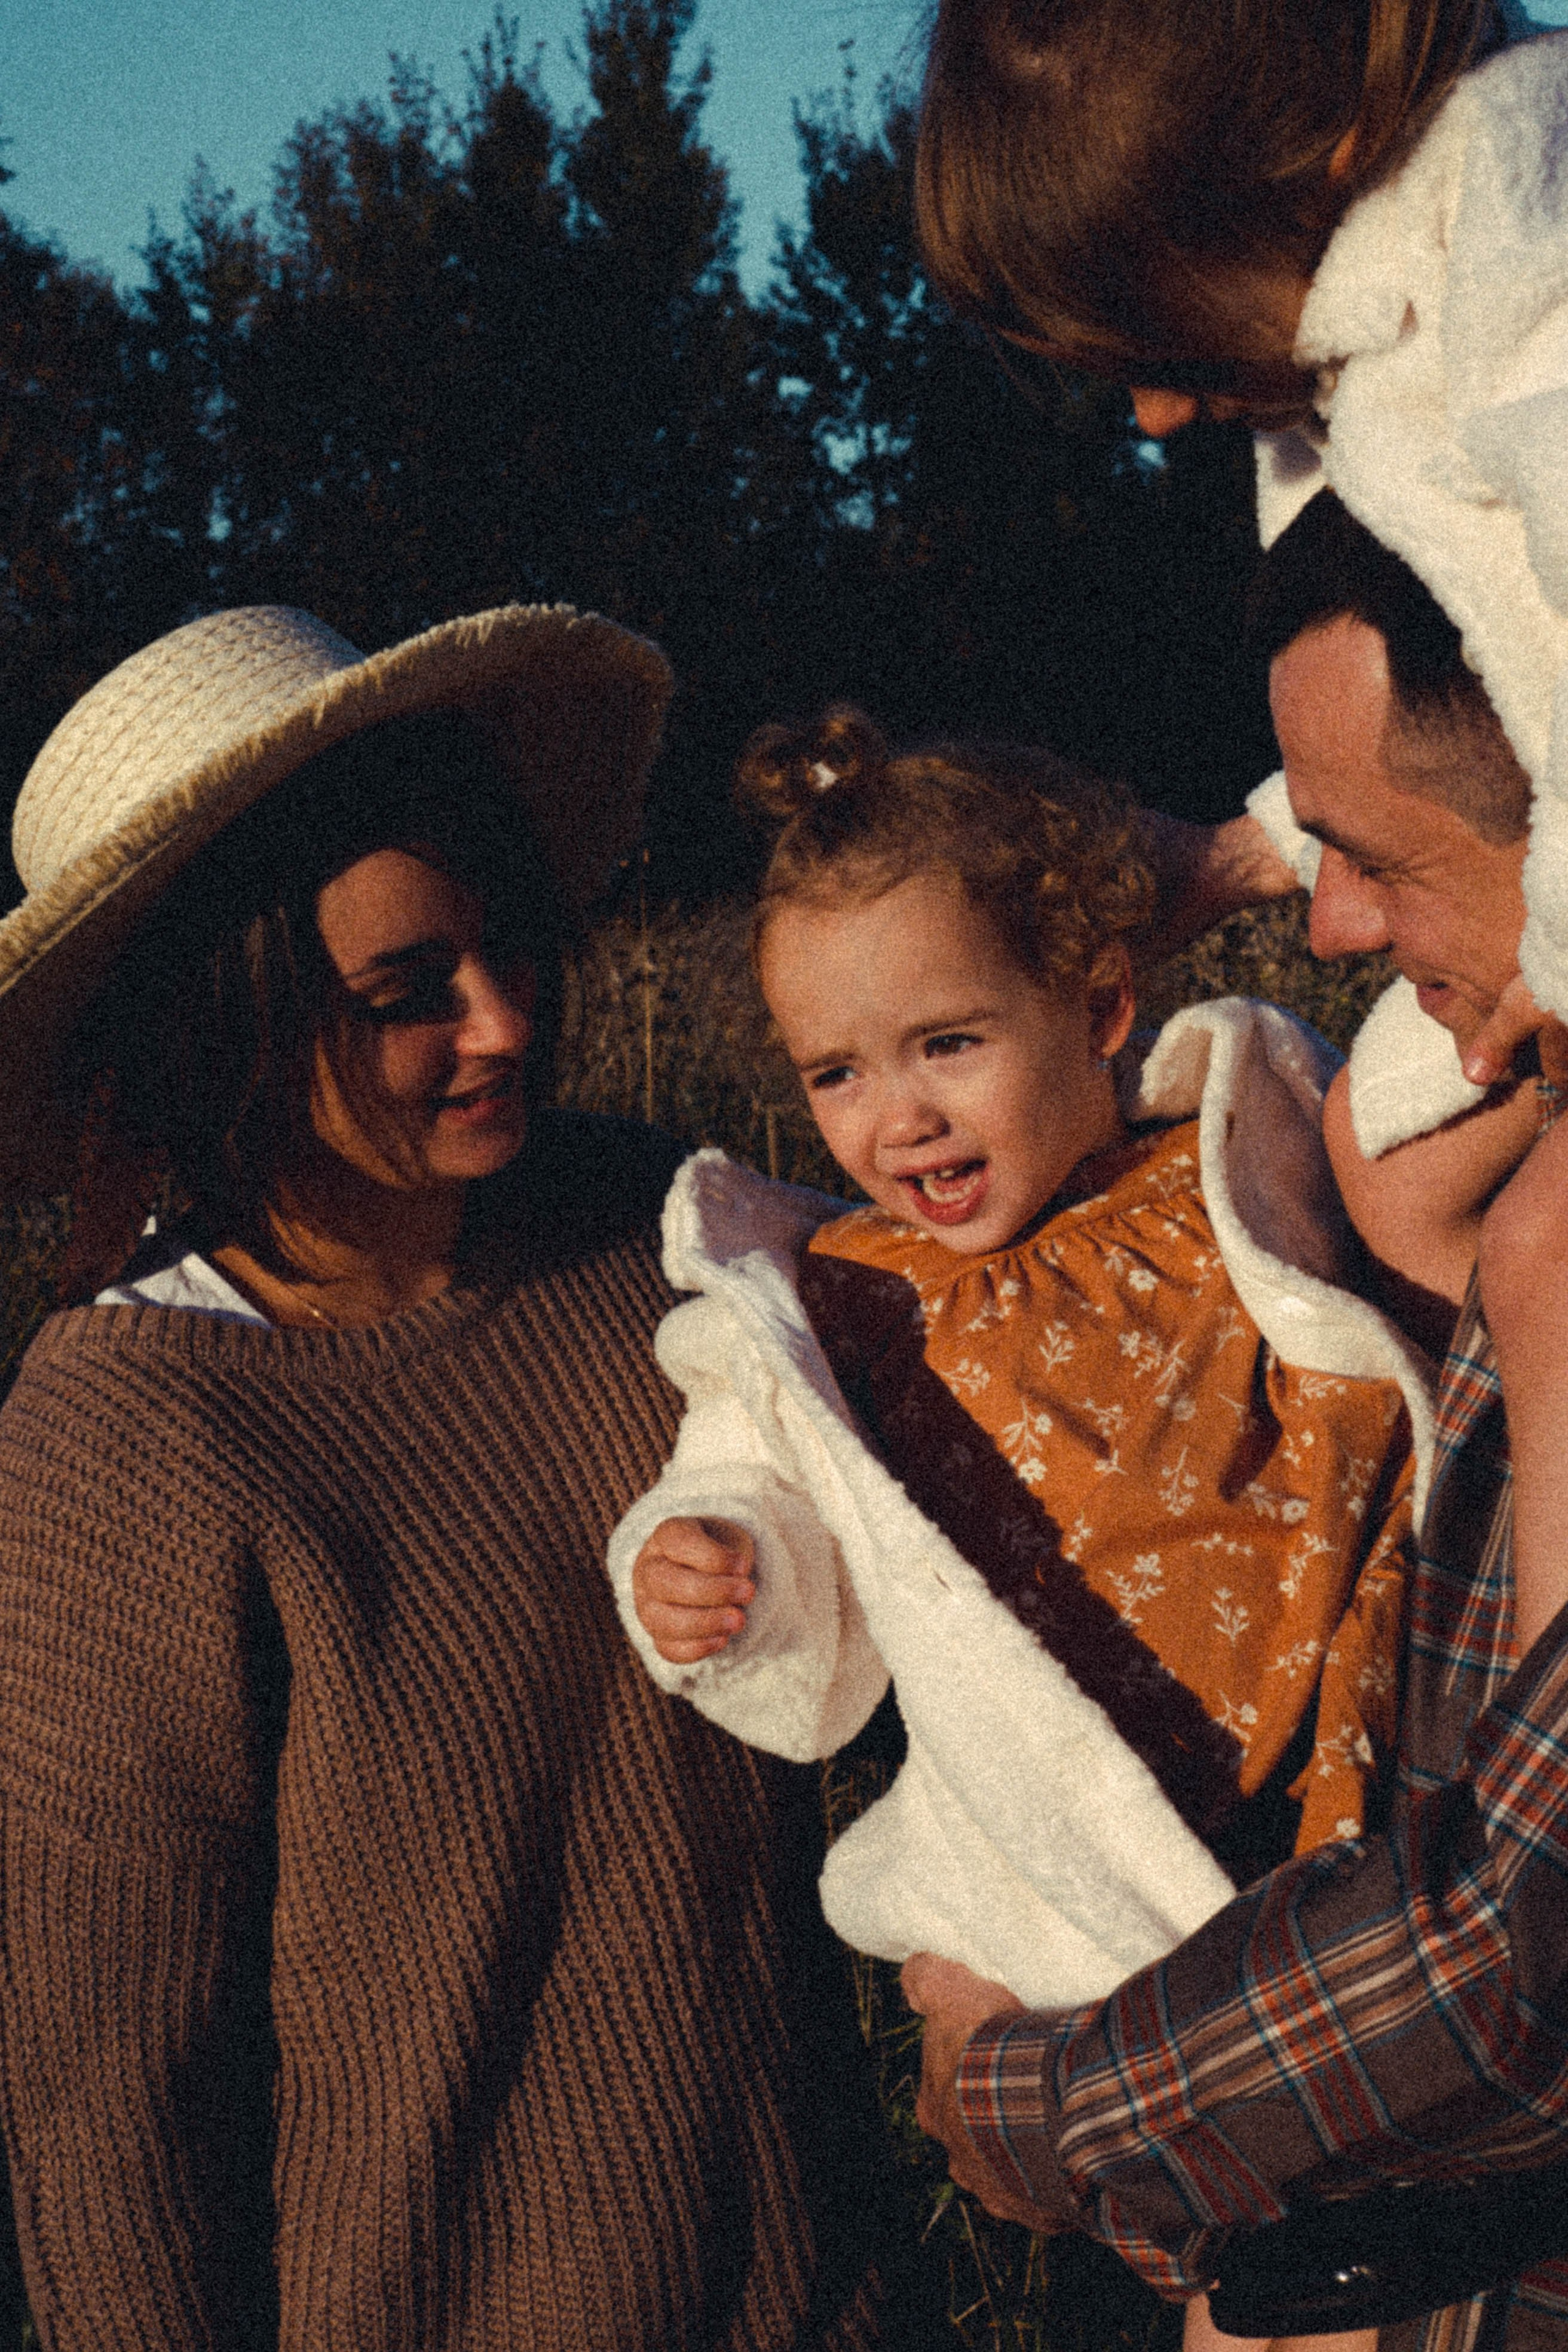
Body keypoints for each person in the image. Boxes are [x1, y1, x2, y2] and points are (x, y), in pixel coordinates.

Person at [0, 603, 909, 2351]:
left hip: (832, 2302)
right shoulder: (129, 1435)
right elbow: (106, 2103)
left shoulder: (660, 1229)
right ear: (227, 1022)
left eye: (507, 951)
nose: (501, 1023)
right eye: (406, 995)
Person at [606, 702, 1439, 2352]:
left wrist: (1234, 860)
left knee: (1363, 2233)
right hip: (1077, 1878)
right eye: (835, 1072)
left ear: (1103, 1009)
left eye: (949, 1045)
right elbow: (750, 1462)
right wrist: (709, 1560)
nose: (894, 1118)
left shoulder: (1235, 1158)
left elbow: (1444, 1057)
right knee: (1218, 2279)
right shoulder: (835, 1301)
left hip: (1329, 1793)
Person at [902, 491, 1568, 2352]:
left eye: (1379, 861)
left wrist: (1022, 2100)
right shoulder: (1493, 1180)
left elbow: (1512, 1952)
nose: (1331, 918)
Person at [915, 0, 1568, 1131]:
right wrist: (1244, 852)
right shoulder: (1340, 353)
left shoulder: (1530, 258)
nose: (1159, 416)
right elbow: (1409, 706)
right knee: (1380, 1165)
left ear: (1330, 166)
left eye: (1170, 351)